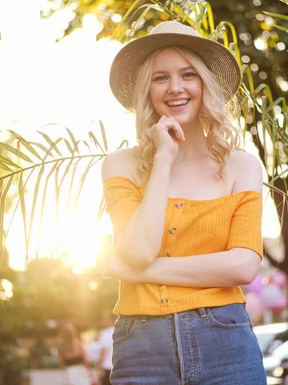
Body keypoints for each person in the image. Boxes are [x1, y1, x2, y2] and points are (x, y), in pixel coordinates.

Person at [101, 20, 266, 384]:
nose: (175, 88)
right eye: (160, 78)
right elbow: (140, 250)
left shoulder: (241, 166)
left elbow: (243, 265)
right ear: (147, 90)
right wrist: (162, 158)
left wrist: (137, 271)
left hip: (226, 342)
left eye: (187, 74)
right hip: (141, 348)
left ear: (205, 83)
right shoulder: (121, 165)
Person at [97, 313, 115, 385]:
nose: (103, 321)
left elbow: (102, 352)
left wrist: (99, 368)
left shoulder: (104, 333)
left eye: (104, 319)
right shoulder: (119, 331)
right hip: (118, 366)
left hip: (107, 367)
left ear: (110, 320)